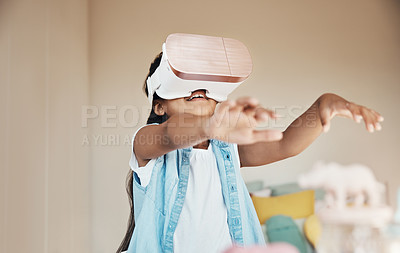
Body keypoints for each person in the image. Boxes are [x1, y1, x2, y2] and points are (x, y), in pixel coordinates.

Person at [117, 52, 383, 253]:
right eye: (183, 79)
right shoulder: (147, 145)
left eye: (205, 81)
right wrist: (209, 126)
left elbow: (285, 143)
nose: (197, 87)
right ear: (160, 106)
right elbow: (170, 134)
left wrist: (324, 106)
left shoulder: (227, 148)